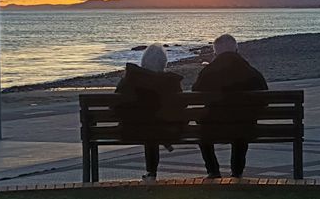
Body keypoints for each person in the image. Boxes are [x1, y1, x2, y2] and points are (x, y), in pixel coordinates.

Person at [192, 34, 268, 178]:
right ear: (237, 50)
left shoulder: (208, 72)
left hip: (213, 128)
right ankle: (237, 172)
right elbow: (265, 98)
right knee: (243, 125)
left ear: (216, 53)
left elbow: (195, 94)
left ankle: (213, 170)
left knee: (202, 129)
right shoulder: (250, 71)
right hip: (243, 128)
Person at [115, 43, 183, 181]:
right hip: (167, 131)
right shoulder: (171, 82)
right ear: (164, 62)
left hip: (132, 130)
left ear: (143, 61)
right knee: (153, 128)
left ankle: (151, 173)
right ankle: (152, 170)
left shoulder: (130, 79)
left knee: (148, 128)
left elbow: (115, 105)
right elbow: (181, 108)